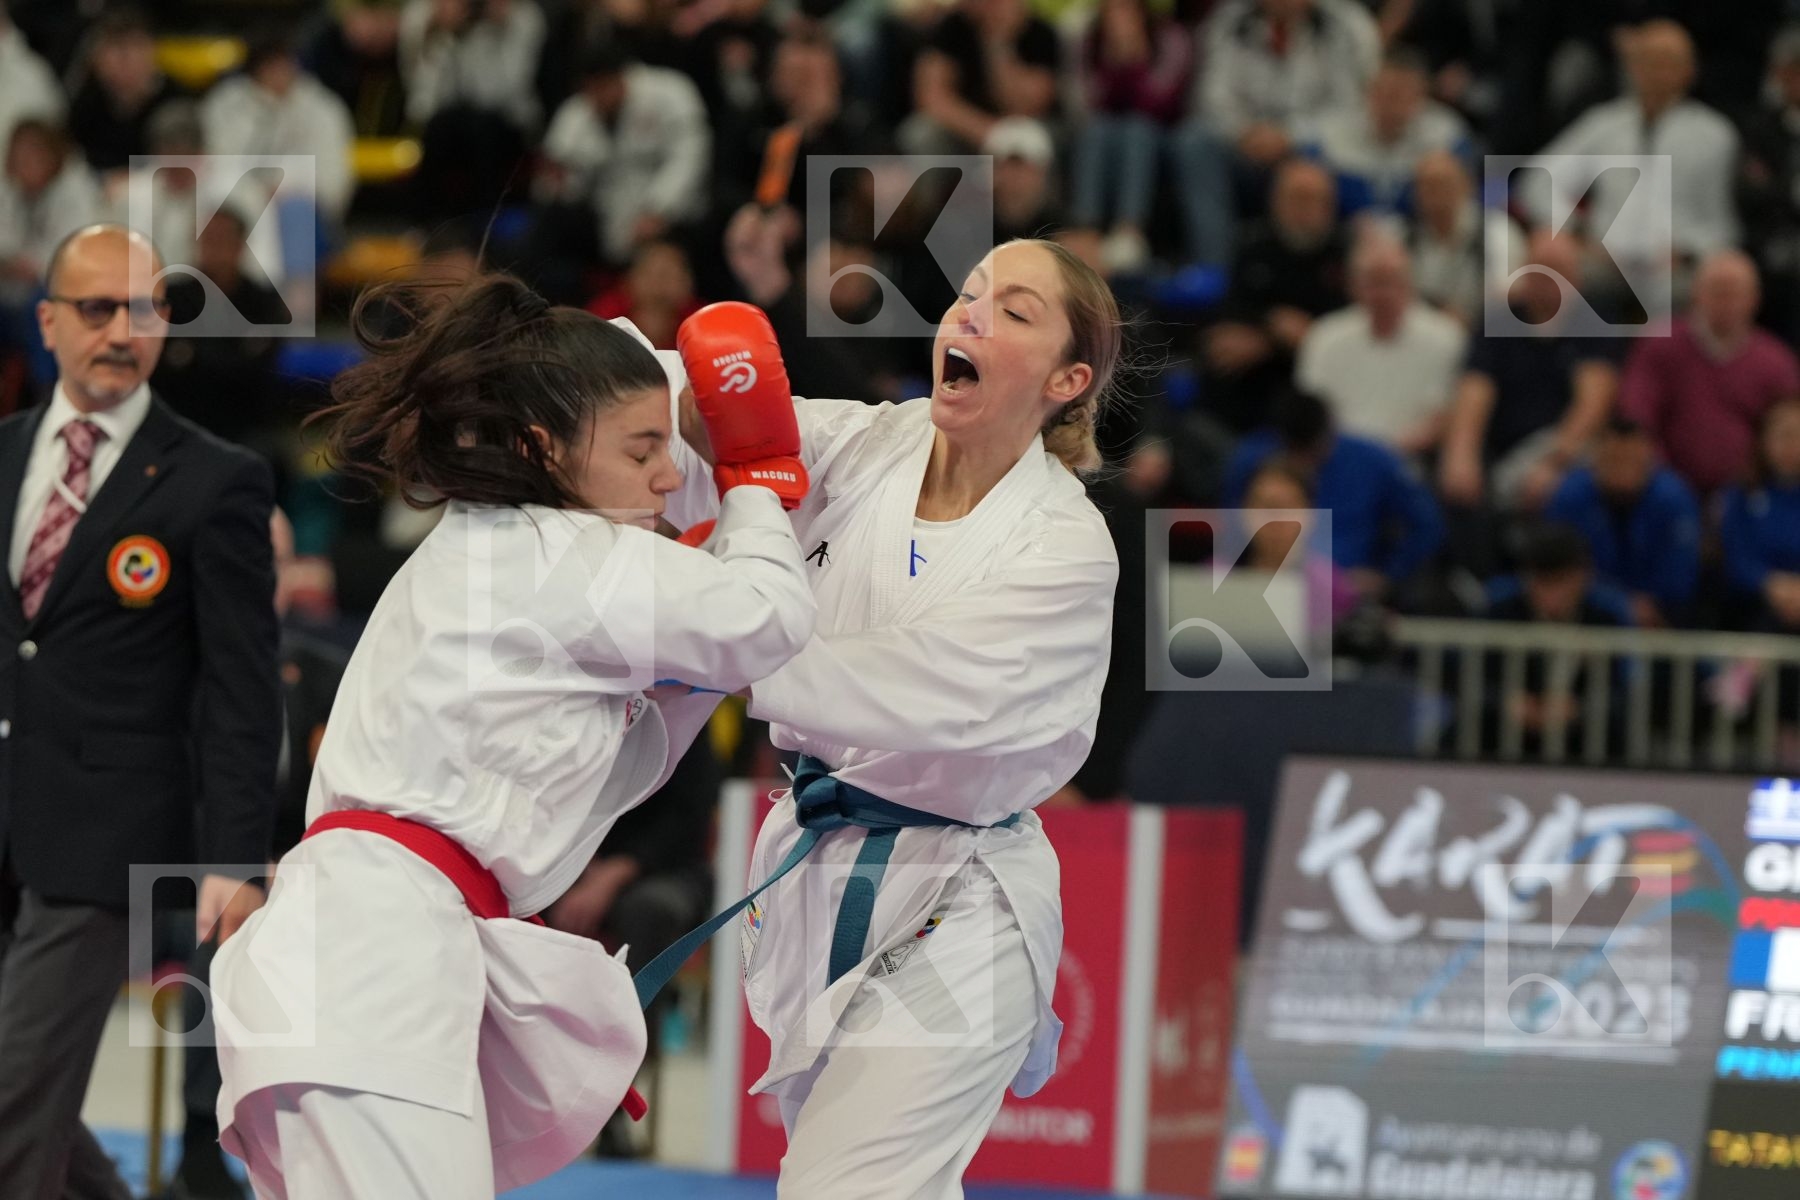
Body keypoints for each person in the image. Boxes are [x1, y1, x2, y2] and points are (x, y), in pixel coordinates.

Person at [210, 276, 817, 1198]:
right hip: (373, 965)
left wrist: (687, 671)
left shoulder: (503, 549)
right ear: (545, 448)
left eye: (668, 446)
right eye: (642, 448)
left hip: (367, 958)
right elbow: (767, 618)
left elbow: (626, 766)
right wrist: (757, 486)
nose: (664, 472)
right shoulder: (554, 551)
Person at [643, 230, 1120, 1196]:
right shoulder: (872, 442)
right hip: (813, 875)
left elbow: (923, 687)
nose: (972, 311)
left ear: (1067, 381)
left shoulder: (1067, 547)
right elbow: (718, 430)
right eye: (972, 292)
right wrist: (606, 381)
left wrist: (723, 642)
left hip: (964, 897)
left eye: (1014, 311)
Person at [0, 223, 281, 1200]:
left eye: (146, 309)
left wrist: (236, 862)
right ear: (47, 323)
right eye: (96, 308)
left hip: (102, 841)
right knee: (26, 1097)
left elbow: (243, 689)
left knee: (8, 1108)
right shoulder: (1, 459)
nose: (123, 330)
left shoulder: (215, 481)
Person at [1223, 387, 1443, 602]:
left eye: (1311, 450)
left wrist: (1387, 574)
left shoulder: (1374, 460)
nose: (1304, 462)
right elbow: (1233, 522)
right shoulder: (1252, 460)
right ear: (1279, 439)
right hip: (1262, 583)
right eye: (1294, 451)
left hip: (1346, 590)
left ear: (1327, 434)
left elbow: (1427, 523)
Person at [1618, 249, 1800, 501]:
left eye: (1735, 293)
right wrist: (1658, 469)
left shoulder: (1776, 362)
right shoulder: (1660, 346)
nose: (1726, 301)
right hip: (1664, 486)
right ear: (1696, 293)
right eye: (1717, 290)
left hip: (1750, 492)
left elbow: (1789, 428)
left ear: (1755, 299)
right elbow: (1636, 415)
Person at [1296, 232, 1465, 457]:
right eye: (1373, 282)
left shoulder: (1446, 337)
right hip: (1337, 457)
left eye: (1391, 281)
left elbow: (1444, 416)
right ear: (1353, 285)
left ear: (1410, 283)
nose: (1383, 293)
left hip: (1412, 461)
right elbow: (1312, 412)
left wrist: (1382, 456)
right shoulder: (1325, 336)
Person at [1544, 415, 1702, 629]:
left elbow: (1680, 573)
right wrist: (1618, 603)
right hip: (1588, 611)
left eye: (1631, 460)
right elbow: (1558, 561)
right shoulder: (1570, 495)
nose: (1622, 471)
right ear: (1596, 458)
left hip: (1662, 614)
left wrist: (1651, 602)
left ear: (1648, 458)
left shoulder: (1674, 498)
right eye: (1614, 460)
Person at [1720, 398, 1800, 633]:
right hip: (1755, 610)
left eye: (1797, 435)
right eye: (1782, 435)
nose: (1791, 445)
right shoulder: (1741, 495)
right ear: (1763, 440)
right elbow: (1736, 558)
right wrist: (1770, 584)